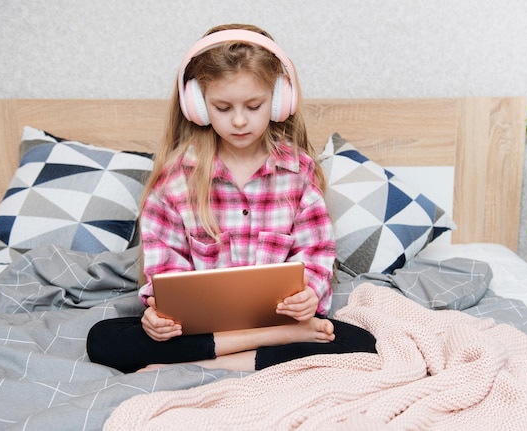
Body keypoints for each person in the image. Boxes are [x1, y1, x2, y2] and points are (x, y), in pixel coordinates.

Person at [86, 23, 377, 373]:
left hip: (279, 320)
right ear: (198, 106)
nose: (239, 121)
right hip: (205, 329)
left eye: (254, 106)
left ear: (279, 99)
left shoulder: (297, 173)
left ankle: (202, 363)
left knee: (362, 344)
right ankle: (258, 350)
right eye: (223, 108)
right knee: (102, 337)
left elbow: (315, 254)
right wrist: (158, 314)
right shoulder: (176, 180)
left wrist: (309, 294)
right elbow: (164, 267)